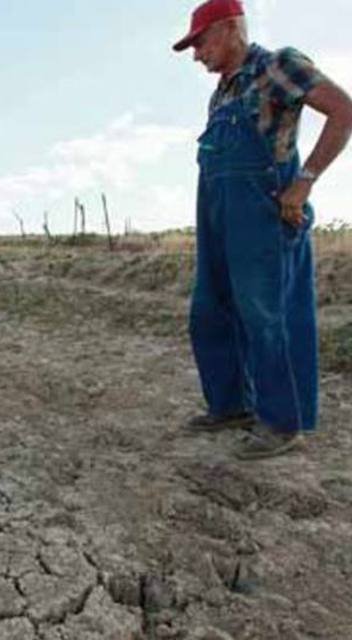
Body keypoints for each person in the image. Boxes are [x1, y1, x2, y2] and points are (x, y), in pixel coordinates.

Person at [174, 0, 352, 459]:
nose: (196, 55)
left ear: (231, 28)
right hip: (217, 212)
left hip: (262, 213)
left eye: (200, 42)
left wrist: (304, 182)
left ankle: (281, 421)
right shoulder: (223, 92)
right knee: (209, 309)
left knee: (266, 313)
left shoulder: (277, 66)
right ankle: (231, 405)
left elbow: (343, 111)